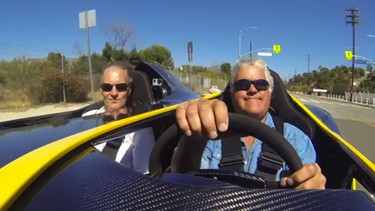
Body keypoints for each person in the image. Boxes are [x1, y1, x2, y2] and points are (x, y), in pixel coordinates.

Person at [176, 57, 326, 189]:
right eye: (242, 84)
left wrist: (312, 185)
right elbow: (183, 180)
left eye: (261, 84)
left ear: (270, 92)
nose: (252, 89)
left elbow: (308, 181)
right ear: (231, 93)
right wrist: (192, 140)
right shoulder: (209, 131)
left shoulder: (296, 139)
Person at [82, 64, 154, 174]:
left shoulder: (140, 128)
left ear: (129, 90)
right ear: (101, 90)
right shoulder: (88, 118)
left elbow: (143, 175)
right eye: (107, 87)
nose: (114, 93)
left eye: (121, 87)